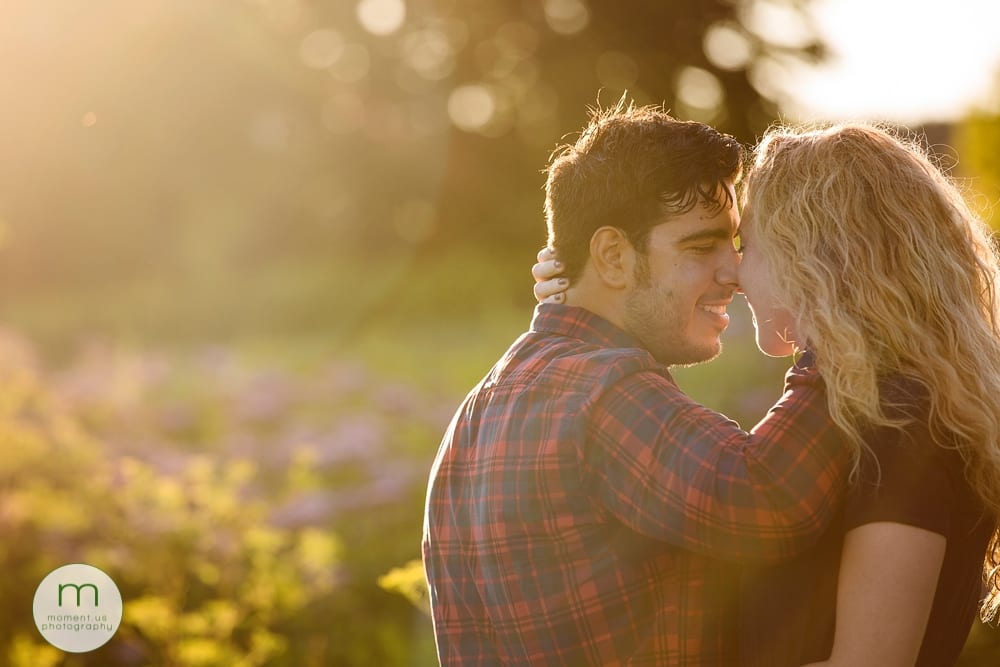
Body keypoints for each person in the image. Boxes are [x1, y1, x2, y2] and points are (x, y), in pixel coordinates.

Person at [536, 122, 1000, 666]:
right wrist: (590, 307)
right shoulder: (855, 408)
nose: (732, 273)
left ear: (815, 258)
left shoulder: (901, 421)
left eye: (746, 245)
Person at [421, 101, 853, 666]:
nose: (735, 274)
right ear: (612, 256)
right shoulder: (602, 388)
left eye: (738, 247)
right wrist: (849, 327)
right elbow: (771, 497)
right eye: (701, 247)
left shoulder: (474, 416)